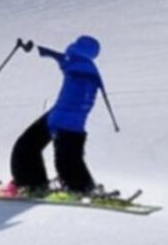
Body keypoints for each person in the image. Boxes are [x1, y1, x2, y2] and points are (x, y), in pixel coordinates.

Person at [7, 35, 107, 196]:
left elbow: (62, 59)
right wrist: (40, 50)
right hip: (65, 117)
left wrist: (34, 49)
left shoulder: (77, 63)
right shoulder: (85, 65)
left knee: (39, 150)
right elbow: (60, 58)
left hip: (63, 118)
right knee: (36, 147)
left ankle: (74, 188)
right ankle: (77, 186)